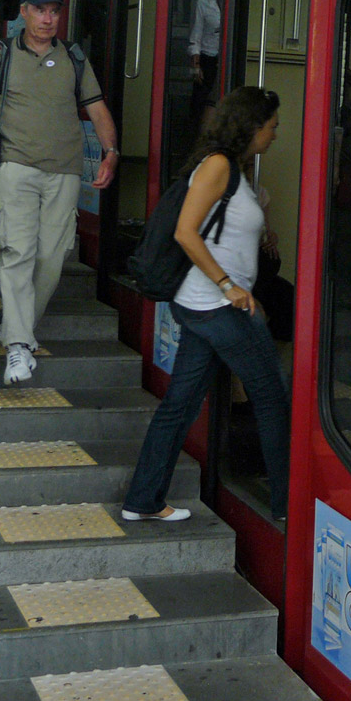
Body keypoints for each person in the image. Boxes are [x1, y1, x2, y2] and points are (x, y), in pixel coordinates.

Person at [121, 86, 289, 523]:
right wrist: (228, 285)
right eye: (271, 127)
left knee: (181, 403)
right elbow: (185, 232)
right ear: (252, 128)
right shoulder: (218, 166)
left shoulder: (231, 168)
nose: (275, 135)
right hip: (214, 306)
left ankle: (143, 500)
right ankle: (289, 508)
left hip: (204, 306)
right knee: (271, 399)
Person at [0, 0, 118, 385]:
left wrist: (111, 152)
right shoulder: (2, 53)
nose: (48, 18)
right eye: (40, 10)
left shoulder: (74, 58)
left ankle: (13, 330)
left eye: (54, 11)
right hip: (16, 167)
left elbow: (96, 109)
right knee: (18, 251)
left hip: (64, 171)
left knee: (52, 258)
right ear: (23, 12)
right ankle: (19, 347)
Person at [187, 0, 221, 129]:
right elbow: (196, 36)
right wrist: (196, 66)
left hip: (225, 57)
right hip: (208, 58)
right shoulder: (204, 3)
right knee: (200, 102)